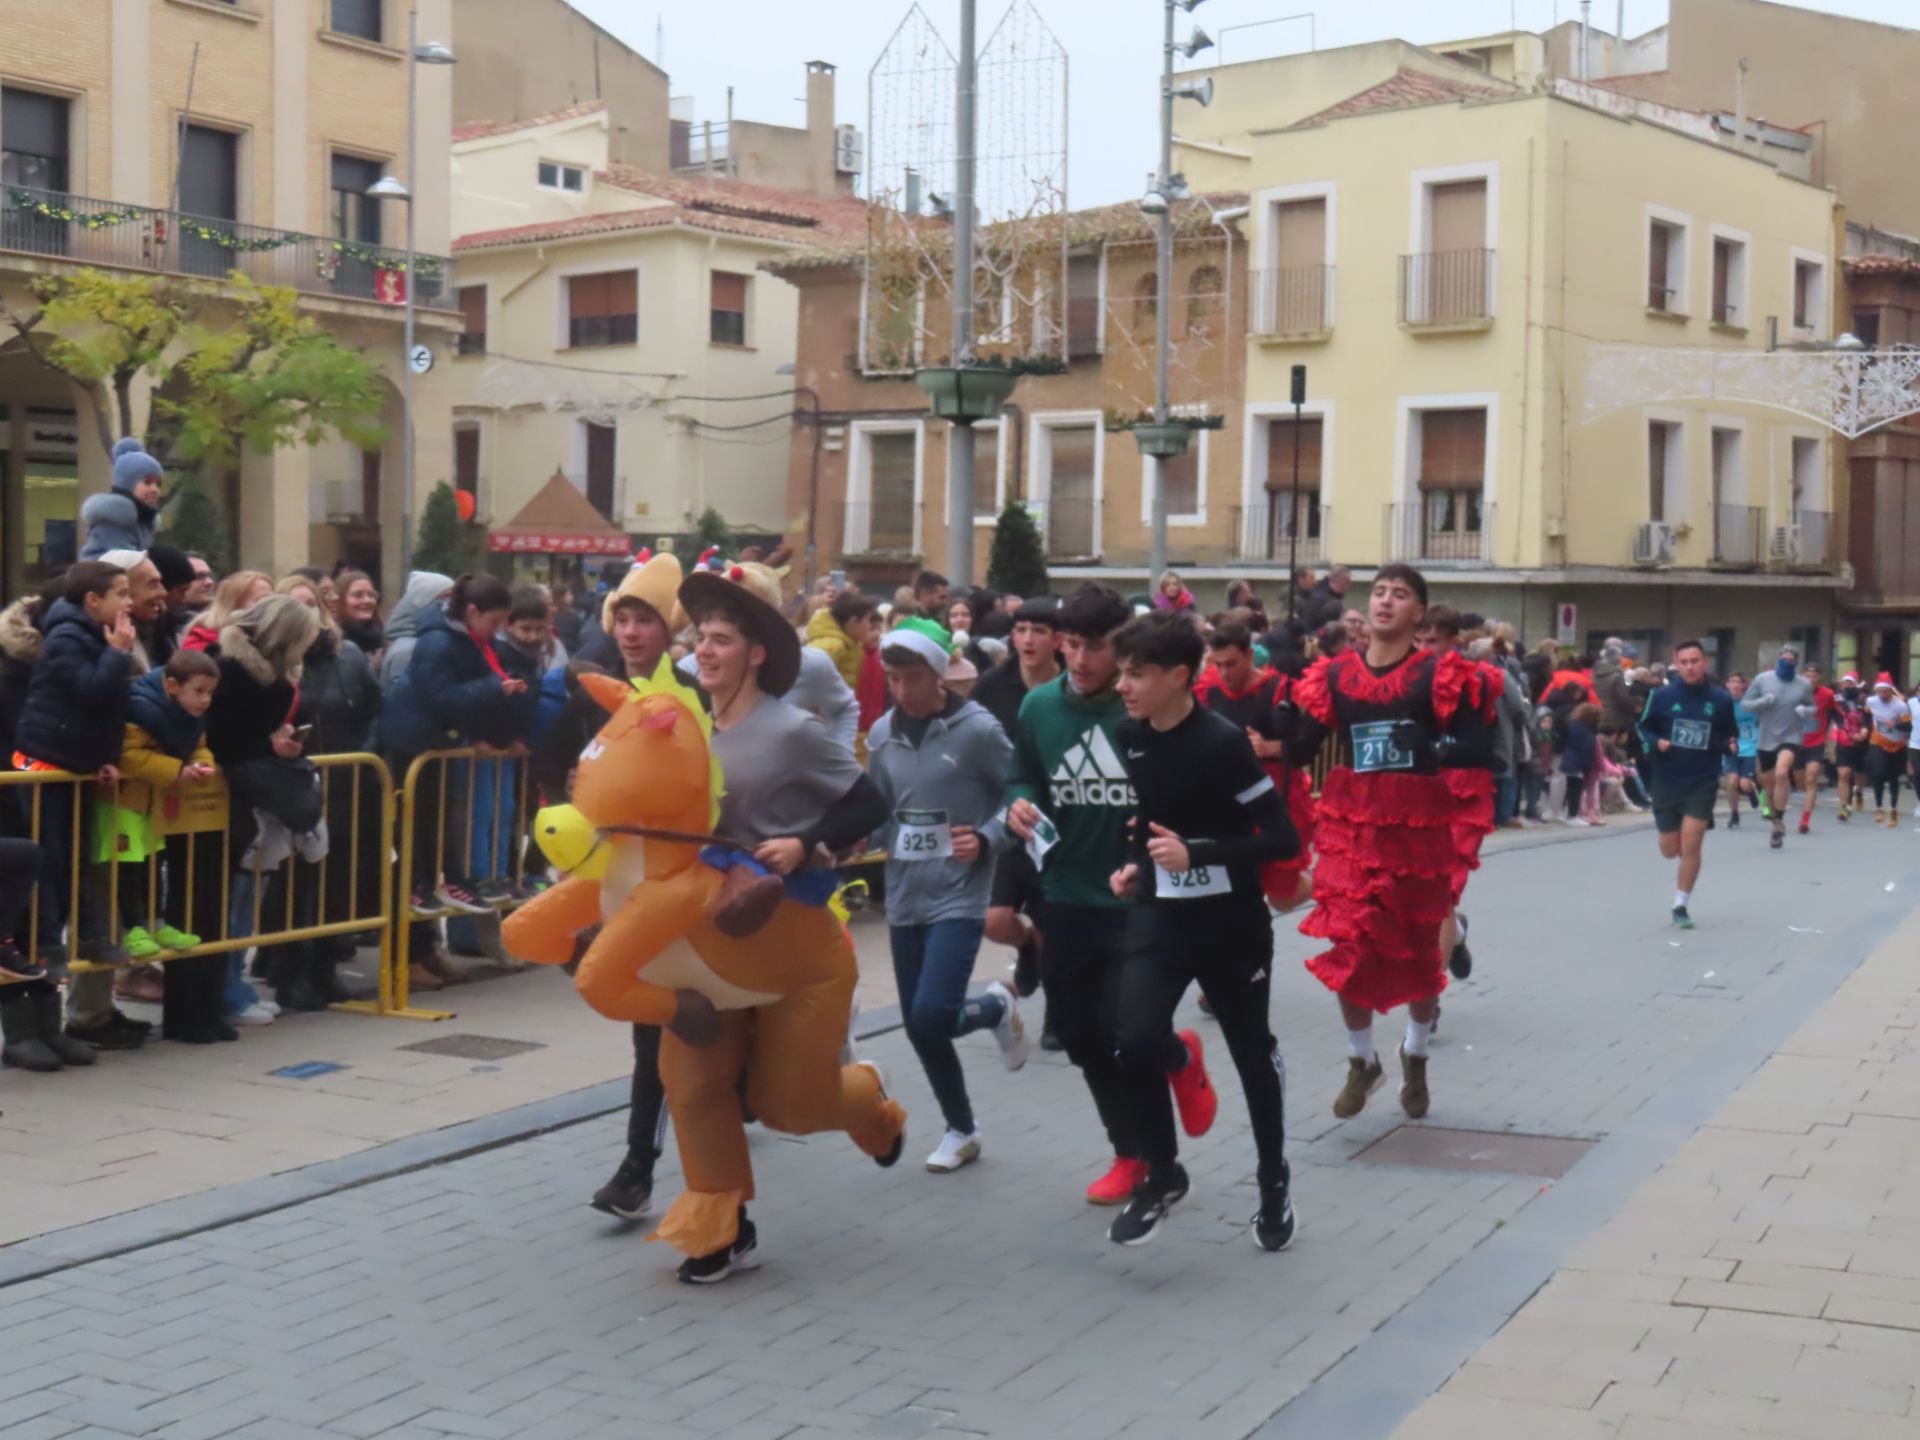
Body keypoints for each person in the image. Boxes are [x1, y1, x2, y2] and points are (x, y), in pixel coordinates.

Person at [1003, 585, 1215, 1205]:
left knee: (1127, 1034)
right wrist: (1017, 803)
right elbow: (1024, 773)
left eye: (1095, 646)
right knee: (1078, 1034)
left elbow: (1195, 778)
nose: (1081, 660)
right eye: (1071, 645)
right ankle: (1130, 1146)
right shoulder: (1039, 707)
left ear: (1122, 644)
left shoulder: (1143, 706)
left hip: (1139, 895)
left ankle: (1159, 1164)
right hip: (1064, 889)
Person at [1104, 612, 1297, 1250]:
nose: (1123, 685)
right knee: (1132, 1039)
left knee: (1251, 1057)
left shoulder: (1219, 741)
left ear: (1180, 677)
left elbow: (1279, 836)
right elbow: (1150, 824)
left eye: (1137, 674)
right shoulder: (1129, 736)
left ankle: (1273, 1182)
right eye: (1122, 672)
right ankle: (1162, 1175)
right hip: (1161, 914)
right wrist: (1134, 866)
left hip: (1230, 925)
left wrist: (1202, 853)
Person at [1283, 564, 1495, 1121]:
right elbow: (1302, 747)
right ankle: (1361, 1060)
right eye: (1378, 593)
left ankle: (1416, 1052)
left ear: (1417, 613)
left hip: (1418, 826)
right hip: (1353, 822)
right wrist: (1268, 732)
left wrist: (1428, 747)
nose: (1384, 602)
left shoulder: (1438, 674)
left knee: (1422, 946)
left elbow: (1477, 748)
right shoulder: (1333, 674)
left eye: (1399, 595)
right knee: (1349, 941)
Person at [532, 555, 684, 1224]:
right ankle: (636, 1171)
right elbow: (570, 774)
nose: (629, 631)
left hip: (687, 881)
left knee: (716, 1039)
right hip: (627, 883)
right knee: (651, 1033)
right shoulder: (595, 694)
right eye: (622, 617)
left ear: (671, 627)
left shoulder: (690, 695)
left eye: (644, 618)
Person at [867, 624, 1028, 1173]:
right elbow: (879, 809)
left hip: (961, 891)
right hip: (904, 891)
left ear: (938, 675)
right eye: (893, 679)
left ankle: (992, 1007)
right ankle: (962, 1128)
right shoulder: (882, 732)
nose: (902, 690)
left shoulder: (976, 729)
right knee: (918, 1024)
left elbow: (1023, 792)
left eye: (912, 678)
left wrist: (986, 837)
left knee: (933, 1012)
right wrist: (834, 842)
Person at [16, 561, 148, 1048]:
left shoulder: (96, 635)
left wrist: (105, 760)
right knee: (49, 861)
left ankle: (85, 937)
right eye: (119, 593)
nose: (127, 602)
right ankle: (50, 950)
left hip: (77, 763)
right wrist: (117, 653)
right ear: (92, 601)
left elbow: (109, 711)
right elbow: (91, 690)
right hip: (44, 763)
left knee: (79, 859)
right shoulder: (69, 636)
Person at [379, 575, 532, 992]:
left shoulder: (470, 642)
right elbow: (442, 697)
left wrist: (485, 733)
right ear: (473, 613)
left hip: (440, 746)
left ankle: (427, 945)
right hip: (411, 747)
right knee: (415, 838)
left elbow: (465, 700)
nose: (499, 631)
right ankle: (407, 948)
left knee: (437, 833)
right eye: (495, 621)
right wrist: (492, 687)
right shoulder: (435, 643)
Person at [205, 594, 327, 1024]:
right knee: (234, 899)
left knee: (245, 896)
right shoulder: (236, 673)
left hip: (246, 792)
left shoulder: (260, 673)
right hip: (229, 797)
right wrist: (270, 745)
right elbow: (222, 739)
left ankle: (234, 986)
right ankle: (227, 992)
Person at [118, 650, 229, 1040]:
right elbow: (130, 754)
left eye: (210, 692)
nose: (204, 700)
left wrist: (203, 763)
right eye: (198, 691)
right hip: (126, 801)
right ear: (171, 686)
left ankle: (155, 923)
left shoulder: (189, 716)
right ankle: (132, 925)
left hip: (158, 805)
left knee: (154, 862)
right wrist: (176, 771)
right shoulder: (141, 709)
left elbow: (197, 743)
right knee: (128, 864)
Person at [976, 598, 1061, 1026]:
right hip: (1008, 818)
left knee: (1054, 920)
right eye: (1021, 630)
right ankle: (1027, 946)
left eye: (1039, 631)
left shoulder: (1073, 682)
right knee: (994, 921)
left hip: (1061, 822)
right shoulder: (993, 686)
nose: (1028, 640)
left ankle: (1056, 1014)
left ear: (1057, 639)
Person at [1193, 620, 1314, 914]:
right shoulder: (1208, 690)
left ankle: (1328, 884)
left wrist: (1272, 747)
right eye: (1218, 664)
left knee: (1282, 896)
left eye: (1232, 663)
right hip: (1227, 800)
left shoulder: (1279, 689)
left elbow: (1307, 746)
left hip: (1275, 794)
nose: (1225, 672)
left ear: (1249, 655)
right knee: (1232, 886)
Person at [1638, 640, 1737, 929]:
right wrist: (1658, 742)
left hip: (1702, 778)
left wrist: (1730, 747)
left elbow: (1728, 734)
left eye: (1695, 661)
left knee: (1692, 843)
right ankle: (1681, 846)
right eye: (1685, 662)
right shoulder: (1662, 696)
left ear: (1704, 662)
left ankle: (1680, 905)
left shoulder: (1720, 699)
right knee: (1670, 849)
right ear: (1676, 663)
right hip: (1667, 778)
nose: (1690, 667)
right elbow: (1643, 728)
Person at [1740, 645, 1815, 850]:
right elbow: (1746, 703)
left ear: (1796, 663)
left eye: (1791, 661)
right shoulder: (1763, 679)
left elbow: (1813, 707)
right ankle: (1775, 824)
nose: (1787, 663)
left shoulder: (1804, 684)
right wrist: (1764, 701)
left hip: (1791, 735)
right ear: (1778, 659)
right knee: (1769, 786)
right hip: (1766, 737)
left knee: (1782, 773)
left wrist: (1805, 711)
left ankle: (1780, 818)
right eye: (1784, 660)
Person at [79, 438, 163, 560]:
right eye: (147, 482)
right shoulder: (112, 518)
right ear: (127, 484)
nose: (155, 489)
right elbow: (127, 563)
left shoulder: (143, 519)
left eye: (158, 484)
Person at [377, 571, 455, 688]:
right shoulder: (407, 651)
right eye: (446, 596)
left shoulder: (428, 642)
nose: (452, 602)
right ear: (425, 601)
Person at [1791, 663, 1836, 835]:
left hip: (1816, 742)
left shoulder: (1827, 694)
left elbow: (1836, 712)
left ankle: (1805, 819)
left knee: (1812, 777)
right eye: (1807, 676)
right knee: (1801, 781)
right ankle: (1807, 797)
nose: (1810, 679)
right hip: (1796, 741)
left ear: (1819, 678)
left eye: (1814, 676)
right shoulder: (1793, 692)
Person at [181, 571, 273, 653]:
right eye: (263, 600)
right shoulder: (202, 642)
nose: (272, 606)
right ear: (234, 604)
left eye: (274, 600)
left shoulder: (274, 639)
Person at [1867, 675, 1911, 824]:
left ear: (1891, 691)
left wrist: (1896, 725)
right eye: (1879, 692)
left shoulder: (1900, 706)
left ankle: (1893, 808)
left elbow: (1909, 727)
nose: (1882, 695)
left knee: (1893, 777)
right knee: (1878, 773)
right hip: (1878, 741)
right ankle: (1879, 808)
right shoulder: (1871, 701)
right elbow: (1865, 713)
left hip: (1896, 744)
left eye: (1885, 692)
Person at [1722, 673, 1762, 826]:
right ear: (1727, 685)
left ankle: (1752, 793)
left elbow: (1761, 721)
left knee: (1744, 784)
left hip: (1750, 747)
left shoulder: (1751, 703)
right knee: (1731, 781)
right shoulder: (1724, 703)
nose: (1735, 685)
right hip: (1732, 746)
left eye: (1738, 682)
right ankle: (1734, 814)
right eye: (1732, 681)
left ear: (1744, 685)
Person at [1831, 672, 1869, 822]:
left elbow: (1870, 716)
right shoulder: (1836, 700)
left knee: (1860, 771)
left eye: (1851, 684)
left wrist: (1865, 731)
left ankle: (1858, 791)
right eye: (1845, 684)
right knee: (1844, 773)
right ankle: (1844, 807)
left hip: (1861, 740)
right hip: (1843, 740)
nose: (1847, 686)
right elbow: (1832, 717)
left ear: (1857, 684)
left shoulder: (1865, 700)